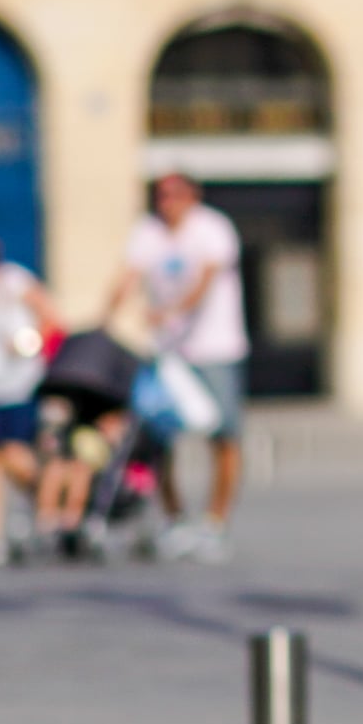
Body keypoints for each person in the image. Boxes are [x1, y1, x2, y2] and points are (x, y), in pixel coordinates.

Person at [103, 173, 249, 563]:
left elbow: (205, 280)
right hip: (168, 353)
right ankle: (176, 519)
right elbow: (128, 277)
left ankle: (215, 522)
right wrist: (103, 322)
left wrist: (172, 311)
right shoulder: (148, 232)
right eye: (161, 195)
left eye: (175, 195)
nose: (168, 202)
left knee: (224, 435)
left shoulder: (212, 228)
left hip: (215, 347)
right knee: (156, 434)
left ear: (193, 196)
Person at [0, 229, 57, 568]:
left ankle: (47, 494)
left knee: (13, 453)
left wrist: (27, 343)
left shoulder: (13, 280)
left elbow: (51, 318)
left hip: (19, 382)